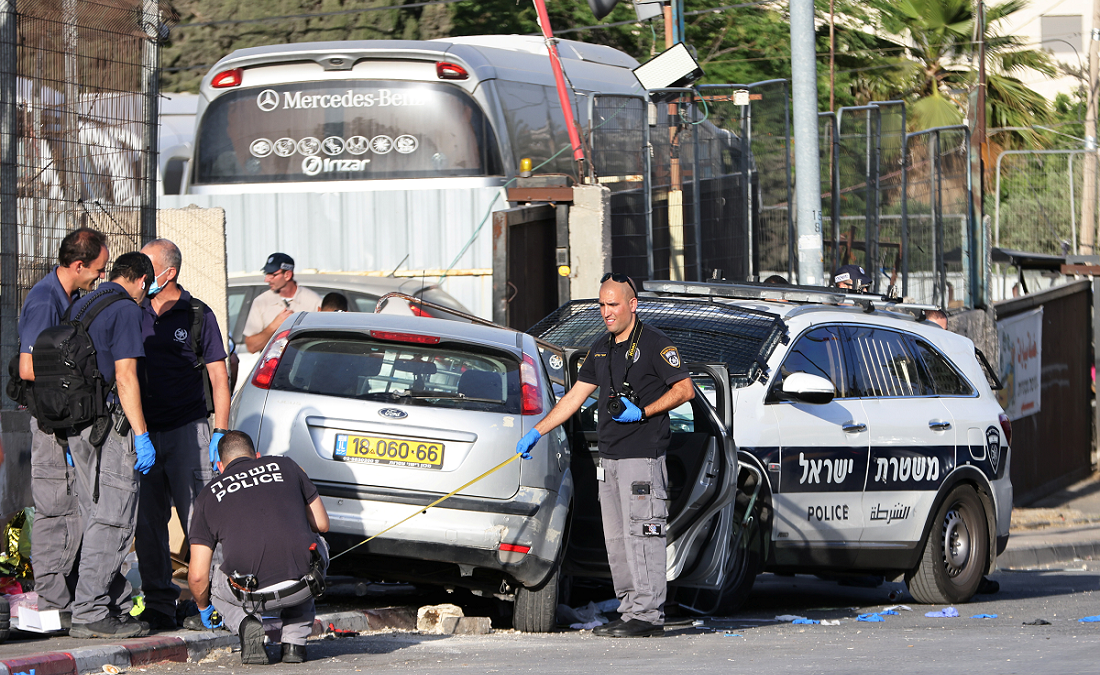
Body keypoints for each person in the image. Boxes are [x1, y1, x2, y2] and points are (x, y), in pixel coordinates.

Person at [515, 272, 693, 638]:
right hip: (609, 459)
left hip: (642, 457)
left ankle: (648, 614)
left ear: (632, 304)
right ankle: (630, 611)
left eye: (613, 304)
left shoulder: (657, 345)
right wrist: (537, 430)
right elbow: (574, 398)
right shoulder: (600, 348)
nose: (606, 311)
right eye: (601, 304)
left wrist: (643, 412)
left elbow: (685, 390)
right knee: (617, 539)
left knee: (643, 534)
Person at [40, 251, 158, 638]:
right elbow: (125, 377)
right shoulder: (126, 310)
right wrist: (142, 435)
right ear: (141, 280)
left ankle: (111, 604)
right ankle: (91, 611)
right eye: (148, 287)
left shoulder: (83, 302)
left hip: (78, 426)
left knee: (94, 515)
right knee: (115, 517)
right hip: (112, 427)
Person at [134, 239, 231, 630]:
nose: (140, 272)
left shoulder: (197, 314)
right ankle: (159, 601)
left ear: (168, 272)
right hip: (143, 433)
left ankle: (217, 600)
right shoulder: (132, 309)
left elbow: (219, 378)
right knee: (147, 522)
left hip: (187, 432)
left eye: (147, 265)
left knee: (201, 522)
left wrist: (220, 433)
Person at [15, 227, 109, 630]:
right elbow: (28, 367)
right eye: (98, 270)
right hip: (50, 422)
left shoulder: (70, 297)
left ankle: (66, 595)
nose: (100, 278)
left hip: (67, 420)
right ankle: (54, 601)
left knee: (76, 506)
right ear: (77, 265)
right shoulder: (44, 302)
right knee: (56, 507)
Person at [188, 431, 330, 665]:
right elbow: (322, 524)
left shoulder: (208, 496)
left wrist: (204, 607)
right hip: (303, 584)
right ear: (257, 455)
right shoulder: (286, 465)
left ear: (220, 466)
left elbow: (196, 576)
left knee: (214, 583)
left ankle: (246, 624)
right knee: (315, 547)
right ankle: (295, 643)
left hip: (249, 592)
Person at [242, 253, 321, 353]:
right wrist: (273, 327)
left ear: (287, 275)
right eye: (266, 274)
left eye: (272, 275)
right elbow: (251, 347)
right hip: (273, 367)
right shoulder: (261, 302)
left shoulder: (314, 301)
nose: (266, 279)